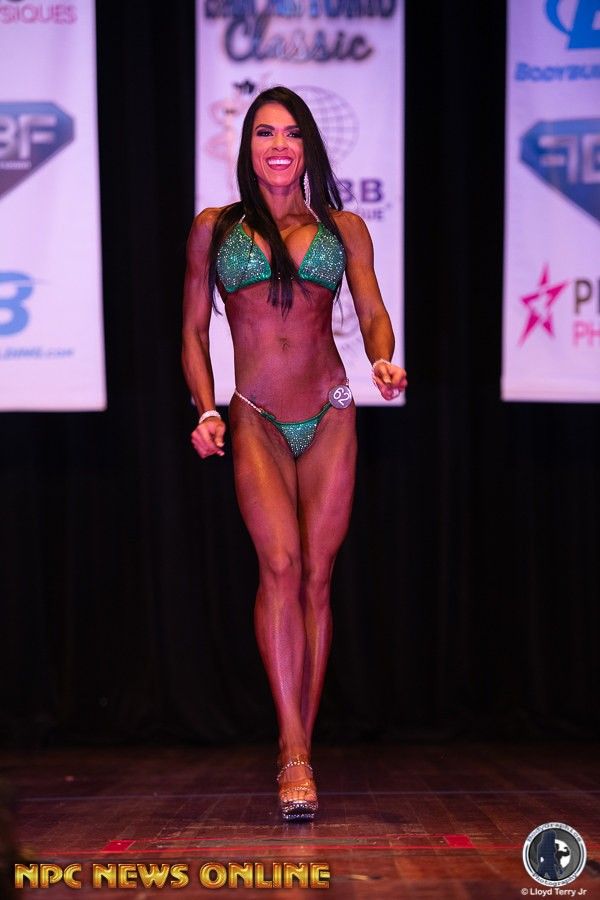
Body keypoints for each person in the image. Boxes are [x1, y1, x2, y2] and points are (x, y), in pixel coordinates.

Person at [182, 86, 407, 821]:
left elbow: (372, 312)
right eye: (264, 133)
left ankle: (297, 745)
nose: (278, 145)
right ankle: (294, 751)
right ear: (247, 148)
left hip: (331, 412)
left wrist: (383, 359)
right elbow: (192, 331)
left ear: (308, 147)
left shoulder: (343, 228)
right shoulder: (215, 228)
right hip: (255, 417)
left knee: (315, 580)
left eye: (291, 134)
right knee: (278, 566)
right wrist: (206, 407)